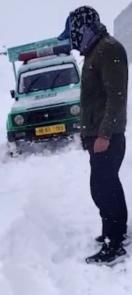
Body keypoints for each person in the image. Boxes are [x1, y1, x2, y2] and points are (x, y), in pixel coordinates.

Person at [59, 6, 128, 265]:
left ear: (82, 28)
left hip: (106, 138)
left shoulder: (108, 49)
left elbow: (116, 97)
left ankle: (113, 244)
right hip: (99, 136)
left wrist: (104, 134)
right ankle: (115, 232)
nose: (73, 42)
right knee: (107, 185)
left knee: (102, 188)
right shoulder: (94, 52)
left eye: (73, 34)